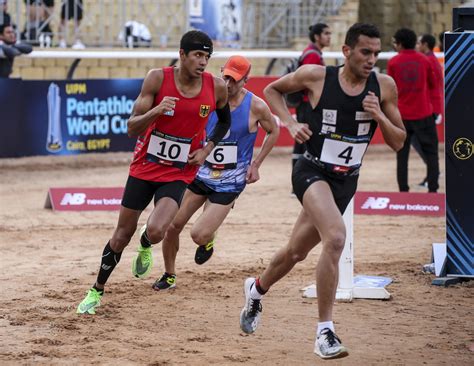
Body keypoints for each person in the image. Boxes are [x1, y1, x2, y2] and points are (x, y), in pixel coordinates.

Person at [239, 23, 406, 360]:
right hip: (312, 170)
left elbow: (398, 141)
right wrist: (289, 122)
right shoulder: (317, 76)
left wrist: (378, 116)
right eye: (364, 52)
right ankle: (324, 332)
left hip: (346, 181)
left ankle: (256, 291)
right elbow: (272, 90)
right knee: (336, 237)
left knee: (295, 252)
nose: (371, 59)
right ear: (346, 51)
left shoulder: (384, 86)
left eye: (376, 53)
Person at [76, 30, 230, 315]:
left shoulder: (216, 86)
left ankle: (146, 242)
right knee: (122, 235)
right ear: (182, 54)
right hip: (145, 167)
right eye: (197, 55)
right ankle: (96, 290)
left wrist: (207, 149)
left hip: (178, 172)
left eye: (207, 56)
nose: (202, 62)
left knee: (158, 230)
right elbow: (132, 126)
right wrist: (156, 111)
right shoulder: (157, 79)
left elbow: (223, 122)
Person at [142, 55, 279, 290]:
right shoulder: (208, 95)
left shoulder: (255, 106)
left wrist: (256, 164)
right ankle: (169, 274)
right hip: (199, 173)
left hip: (230, 182)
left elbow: (273, 131)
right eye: (225, 76)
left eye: (235, 80)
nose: (228, 83)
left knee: (199, 234)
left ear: (246, 80)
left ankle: (208, 240)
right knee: (173, 225)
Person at [388, 28, 439, 193]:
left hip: (401, 116)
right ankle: (433, 189)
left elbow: (390, 90)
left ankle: (403, 190)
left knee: (401, 156)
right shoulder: (425, 61)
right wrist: (436, 110)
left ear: (400, 43)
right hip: (423, 113)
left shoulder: (393, 62)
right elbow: (434, 86)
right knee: (432, 153)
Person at [292, 23, 331, 185]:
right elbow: (307, 83)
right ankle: (299, 182)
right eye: (326, 33)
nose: (329, 36)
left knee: (304, 143)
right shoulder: (312, 55)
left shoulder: (313, 53)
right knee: (304, 144)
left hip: (308, 105)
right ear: (317, 36)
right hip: (308, 106)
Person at [414, 33, 444, 187]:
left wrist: (435, 110)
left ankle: (433, 174)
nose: (417, 46)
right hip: (429, 109)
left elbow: (435, 86)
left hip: (428, 110)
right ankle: (432, 173)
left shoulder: (429, 60)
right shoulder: (430, 60)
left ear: (425, 44)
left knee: (422, 144)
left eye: (419, 43)